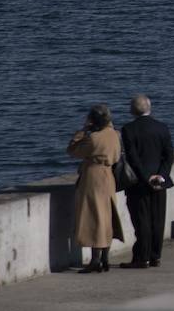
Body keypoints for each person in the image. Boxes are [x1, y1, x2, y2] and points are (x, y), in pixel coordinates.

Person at [66, 103, 124, 274]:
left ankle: (95, 261)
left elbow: (72, 150)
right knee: (107, 217)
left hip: (94, 177)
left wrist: (82, 131)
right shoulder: (114, 135)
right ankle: (105, 258)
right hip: (109, 177)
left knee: (94, 218)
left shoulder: (94, 138)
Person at [120, 94, 174, 270]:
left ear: (132, 110)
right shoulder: (162, 127)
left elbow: (133, 158)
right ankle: (155, 256)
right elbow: (169, 155)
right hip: (160, 182)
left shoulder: (128, 129)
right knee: (157, 220)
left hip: (139, 184)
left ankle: (142, 258)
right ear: (149, 108)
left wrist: (145, 178)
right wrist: (161, 175)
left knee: (141, 220)